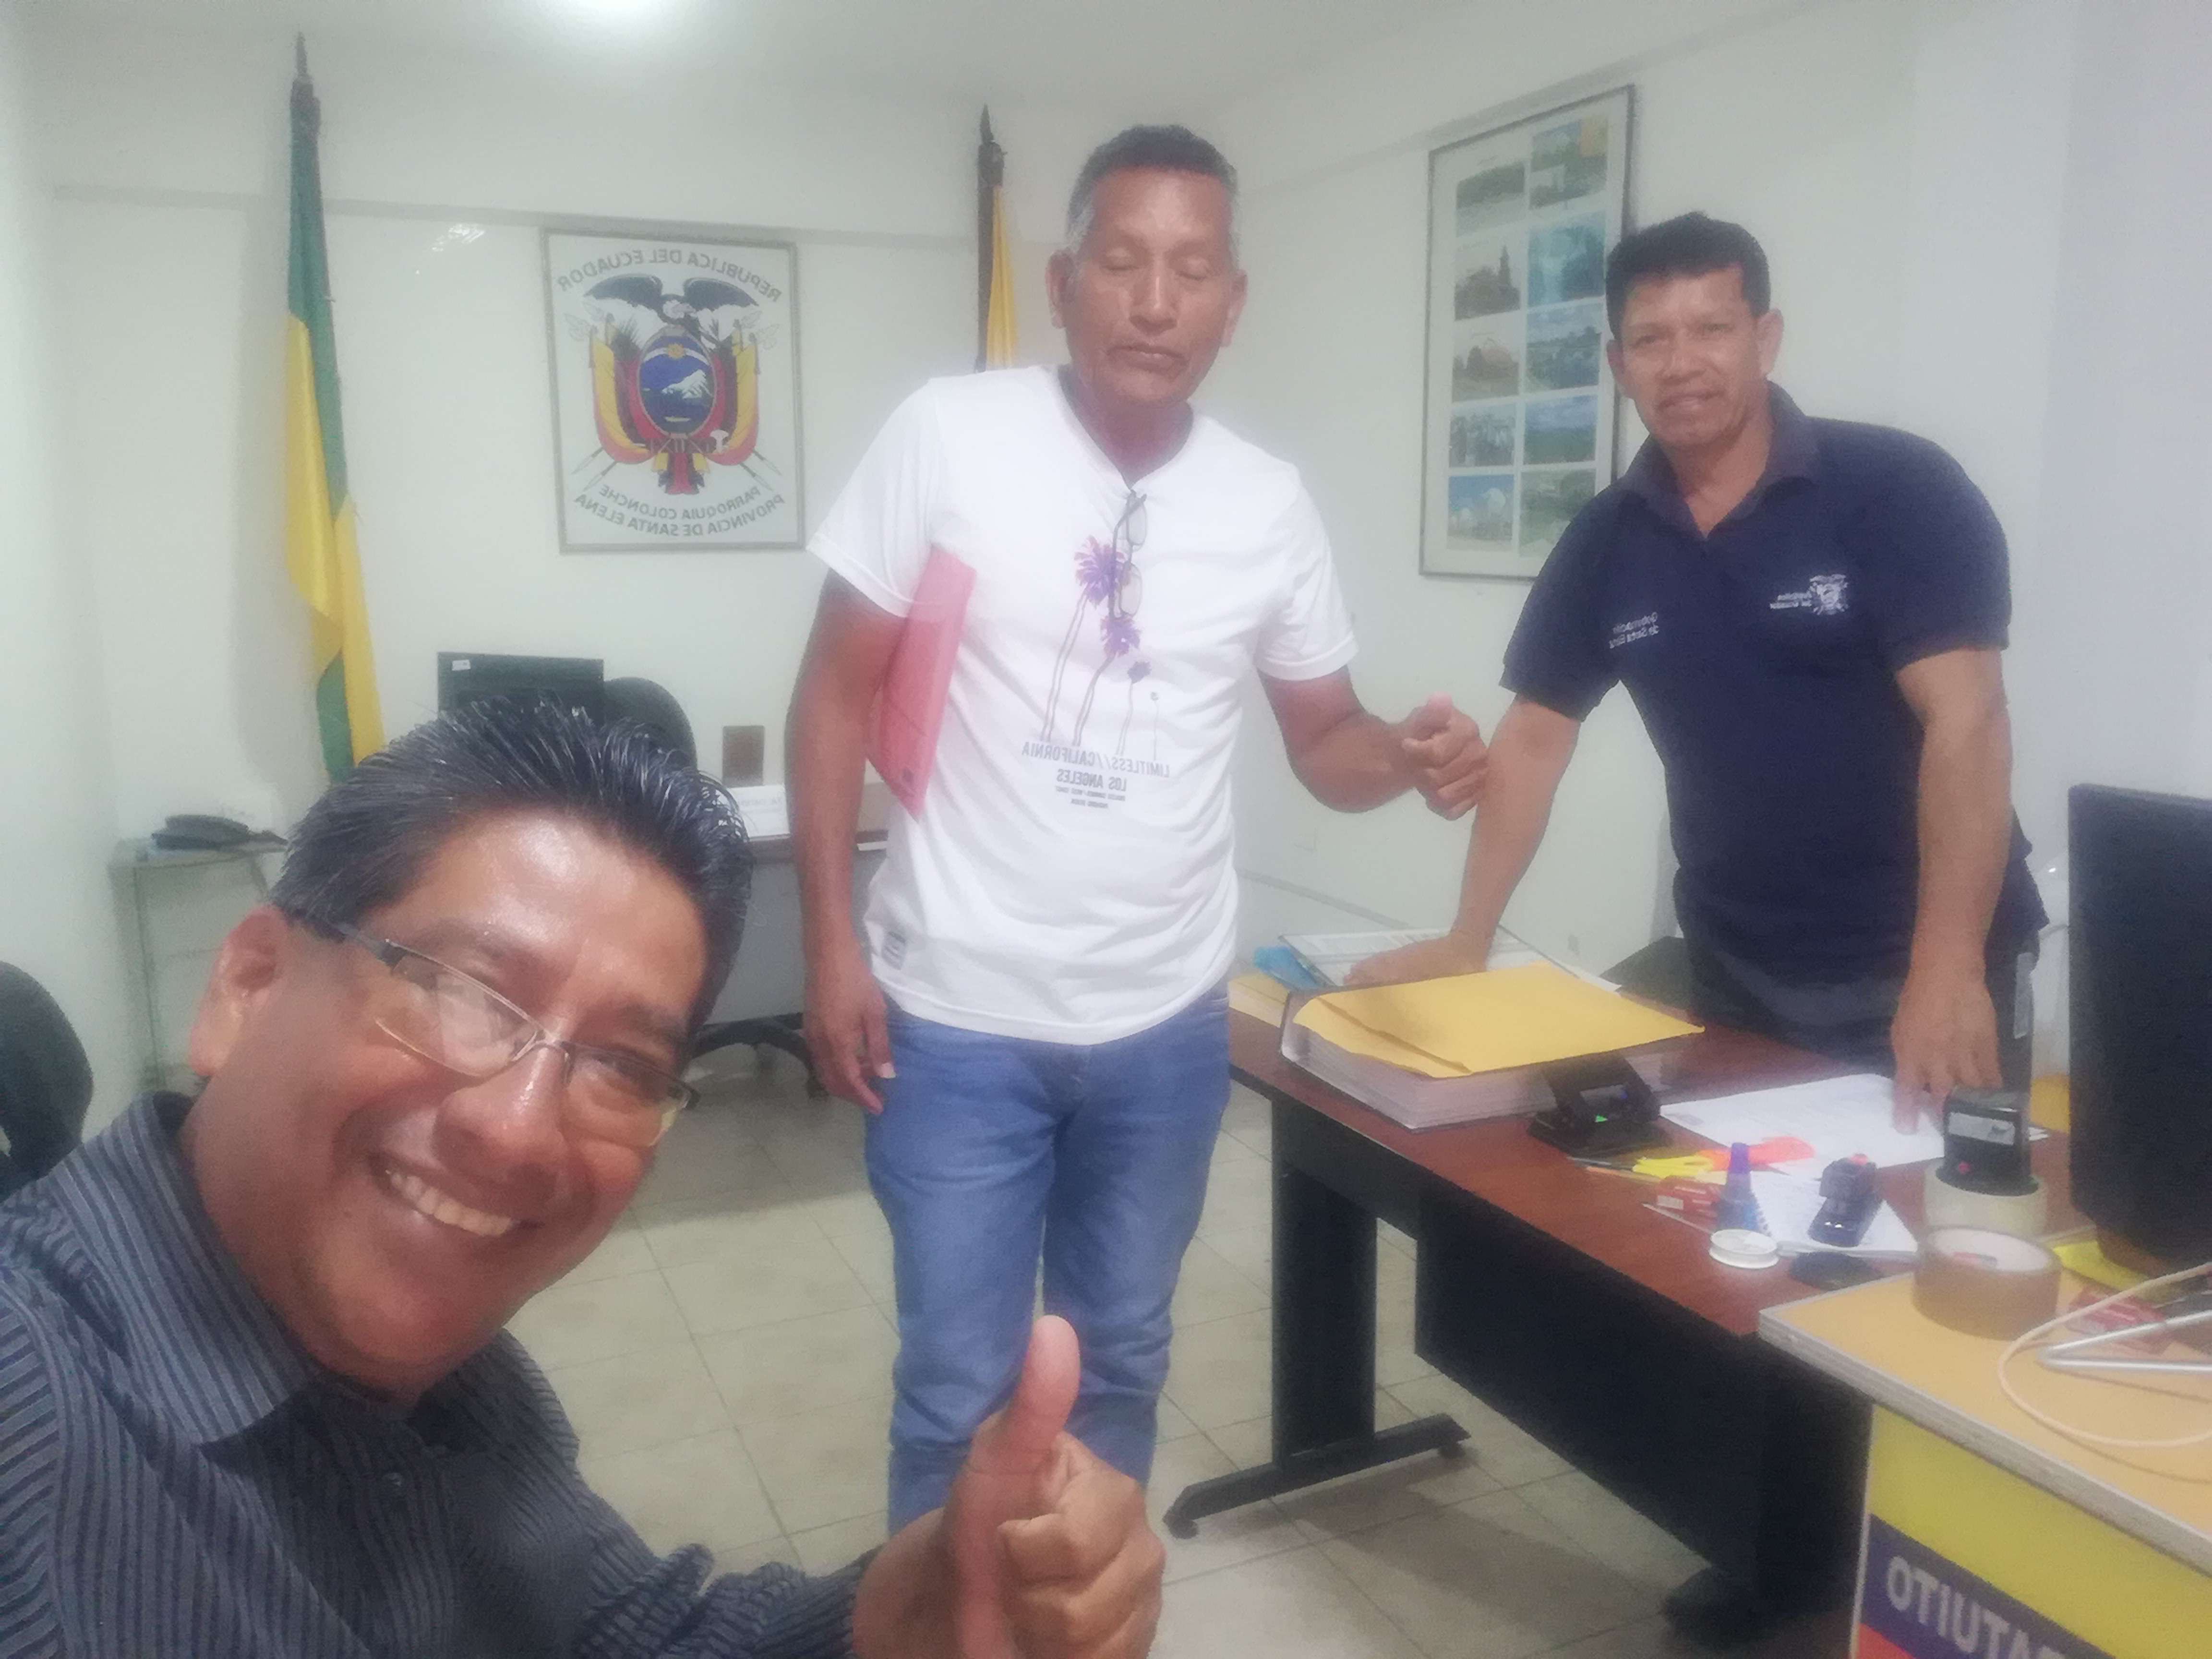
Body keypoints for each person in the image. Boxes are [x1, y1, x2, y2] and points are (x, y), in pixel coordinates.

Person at [0, 702, 1163, 1659]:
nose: (518, 1133)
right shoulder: (34, 1419)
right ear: (250, 984)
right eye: (458, 992)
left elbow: (617, 1631)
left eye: (620, 1064)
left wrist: (893, 1622)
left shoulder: (464, 1392)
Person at [788, 124, 1488, 1528]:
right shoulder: (950, 435)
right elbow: (833, 696)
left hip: (1163, 1031)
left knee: (1117, 1364)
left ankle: (1082, 1618)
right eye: (1122, 262)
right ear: (1063, 284)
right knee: (956, 1384)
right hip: (958, 1022)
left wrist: (1407, 762)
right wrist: (828, 946)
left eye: (1191, 270)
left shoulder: (1265, 504)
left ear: (1235, 302)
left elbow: (1326, 742)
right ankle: (946, 1623)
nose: (1155, 302)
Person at [1354, 212, 2045, 1128]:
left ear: (1766, 337)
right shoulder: (1608, 539)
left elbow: (1969, 723)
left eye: (1712, 328)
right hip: (1734, 970)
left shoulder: (1896, 489)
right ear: (1619, 364)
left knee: (1932, 1209)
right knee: (1727, 1206)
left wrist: (1948, 971)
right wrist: (1465, 941)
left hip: (1922, 965)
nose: (1682, 363)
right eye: (1651, 339)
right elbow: (1533, 738)